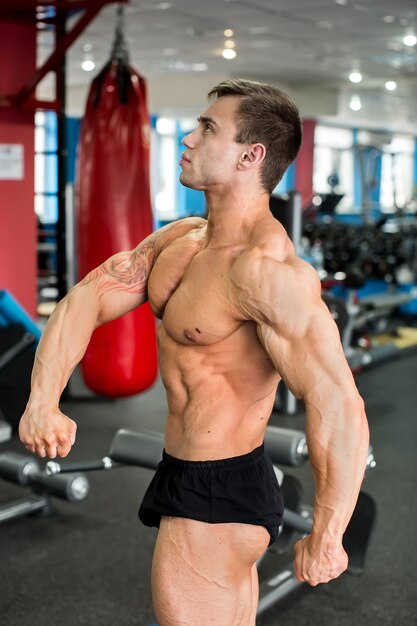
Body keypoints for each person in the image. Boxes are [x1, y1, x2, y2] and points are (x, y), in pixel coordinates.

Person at [19, 79, 370, 626]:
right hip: (188, 469)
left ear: (250, 156)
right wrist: (43, 398)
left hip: (219, 487)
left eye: (208, 128)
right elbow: (85, 298)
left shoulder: (267, 273)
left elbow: (338, 404)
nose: (187, 136)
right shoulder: (181, 238)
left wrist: (329, 533)